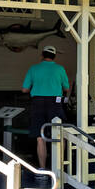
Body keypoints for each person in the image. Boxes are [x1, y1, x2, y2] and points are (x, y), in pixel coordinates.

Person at [23, 45, 70, 173]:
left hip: (37, 103)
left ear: (42, 55)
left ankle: (42, 168)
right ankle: (59, 167)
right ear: (54, 56)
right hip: (55, 103)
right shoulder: (60, 69)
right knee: (60, 134)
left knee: (40, 136)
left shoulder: (33, 68)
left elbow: (24, 89)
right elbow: (66, 88)